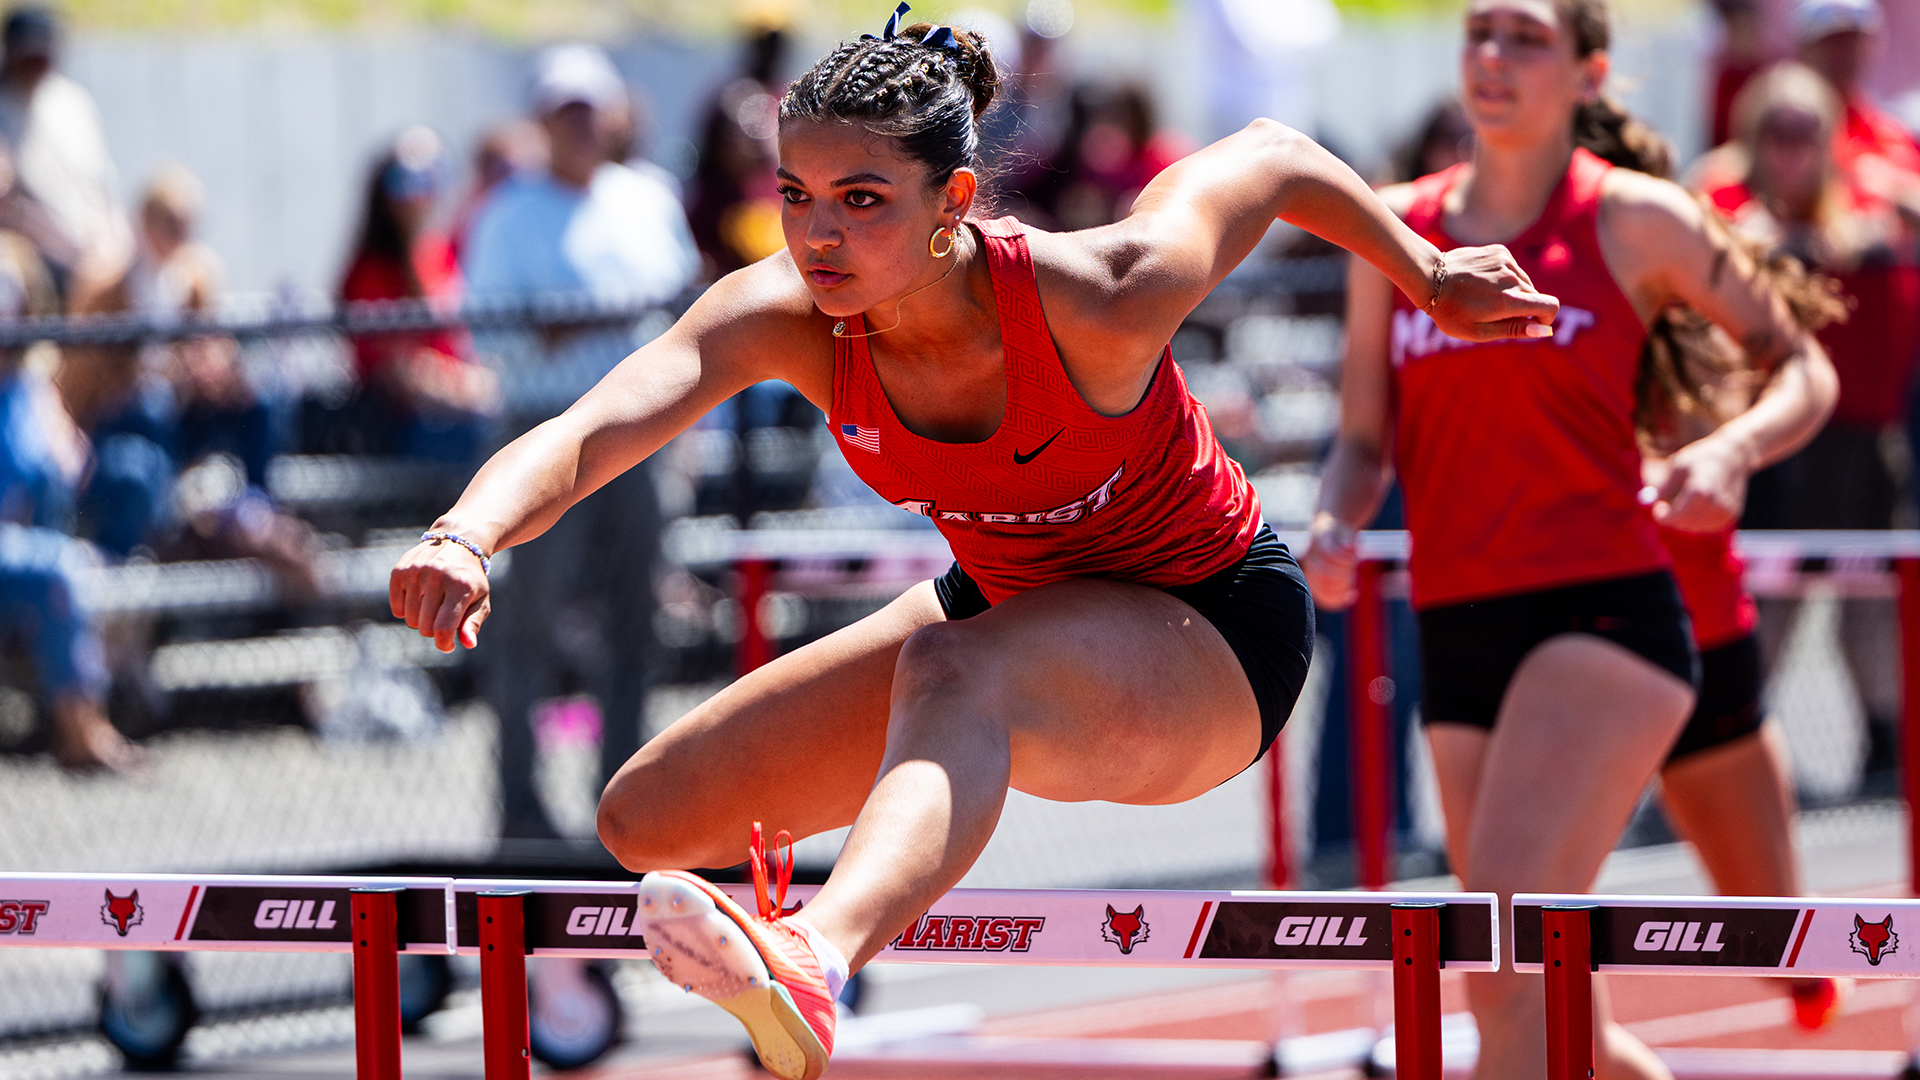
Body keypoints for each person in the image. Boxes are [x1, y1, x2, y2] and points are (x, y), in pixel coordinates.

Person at [390, 6, 1557, 1076]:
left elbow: (1274, 153)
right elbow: (595, 427)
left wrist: (1429, 270)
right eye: (795, 195)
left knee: (953, 668)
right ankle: (779, 933)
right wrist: (464, 533)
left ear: (953, 203)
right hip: (1013, 604)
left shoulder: (1101, 292)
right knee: (648, 819)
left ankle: (817, 956)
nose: (817, 235)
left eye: (862, 201)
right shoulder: (786, 316)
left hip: (1214, 629)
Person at [1301, 3, 1837, 1080]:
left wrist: (1729, 454)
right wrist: (1333, 519)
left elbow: (1803, 368)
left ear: (1589, 74)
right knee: (1547, 1016)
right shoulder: (1393, 234)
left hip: (1603, 616)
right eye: (1480, 34)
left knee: (1501, 973)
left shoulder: (1633, 220)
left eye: (1527, 39)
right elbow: (1364, 440)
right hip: (1458, 629)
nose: (1493, 58)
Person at [459, 43, 699, 840]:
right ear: (542, 120)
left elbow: (678, 311)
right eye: (567, 112)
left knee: (637, 619)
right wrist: (595, 317)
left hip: (637, 434)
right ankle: (520, 808)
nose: (582, 125)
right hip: (541, 431)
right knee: (528, 623)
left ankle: (623, 802)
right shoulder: (505, 212)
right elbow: (496, 338)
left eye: (591, 109)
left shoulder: (648, 197)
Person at [1699, 61, 1919, 791]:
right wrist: (1756, 244)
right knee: (1769, 598)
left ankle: (1886, 751)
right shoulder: (1723, 200)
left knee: (1871, 596)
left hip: (1861, 437)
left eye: (1808, 133)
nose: (1792, 149)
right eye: (1777, 133)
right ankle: (1734, 751)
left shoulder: (1868, 195)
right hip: (1767, 441)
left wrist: (1878, 221)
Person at [340, 125, 500, 464]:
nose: (421, 193)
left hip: (459, 405)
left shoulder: (440, 251)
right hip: (400, 421)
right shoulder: (370, 271)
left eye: (434, 176)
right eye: (408, 179)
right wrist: (468, 391)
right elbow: (397, 373)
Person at [0, 5, 128, 293]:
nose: (38, 64)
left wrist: (112, 250)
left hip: (94, 258)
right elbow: (13, 208)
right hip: (35, 264)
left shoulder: (73, 103)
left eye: (43, 55)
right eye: (30, 56)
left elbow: (105, 189)